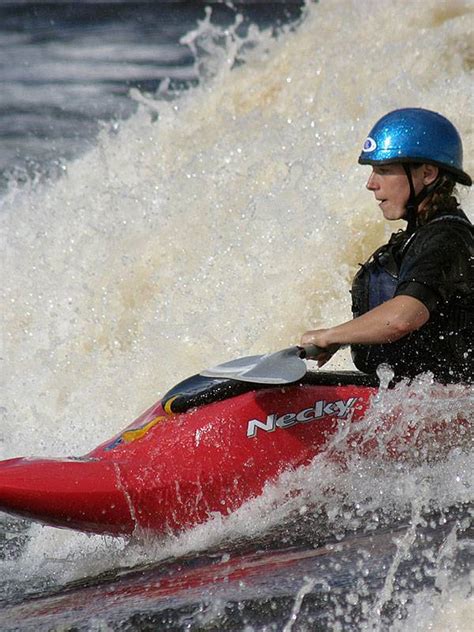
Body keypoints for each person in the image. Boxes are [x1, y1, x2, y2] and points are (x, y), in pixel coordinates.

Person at [301, 108, 473, 384]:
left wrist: (330, 335)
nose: (371, 184)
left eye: (383, 170)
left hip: (444, 403)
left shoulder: (446, 238)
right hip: (412, 399)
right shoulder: (419, 236)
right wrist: (341, 340)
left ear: (427, 173)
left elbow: (402, 318)